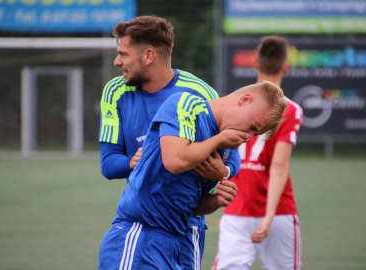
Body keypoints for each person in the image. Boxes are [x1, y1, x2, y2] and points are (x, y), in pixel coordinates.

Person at [98, 15, 242, 270]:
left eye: (123, 54)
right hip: (146, 221)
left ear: (148, 56)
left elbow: (232, 155)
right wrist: (133, 162)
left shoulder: (200, 93)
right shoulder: (115, 91)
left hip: (190, 223)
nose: (117, 61)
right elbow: (108, 163)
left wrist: (225, 171)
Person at [99, 81, 287, 269]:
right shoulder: (186, 104)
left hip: (175, 242)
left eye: (256, 134)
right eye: (253, 126)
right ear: (245, 100)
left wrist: (217, 200)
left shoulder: (222, 148)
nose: (249, 136)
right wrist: (218, 140)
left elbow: (190, 205)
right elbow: (175, 161)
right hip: (140, 235)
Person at [212, 36, 303, 270]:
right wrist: (269, 216)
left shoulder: (238, 103)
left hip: (236, 203)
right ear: (285, 66)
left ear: (255, 64)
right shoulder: (290, 109)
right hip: (277, 211)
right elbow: (279, 166)